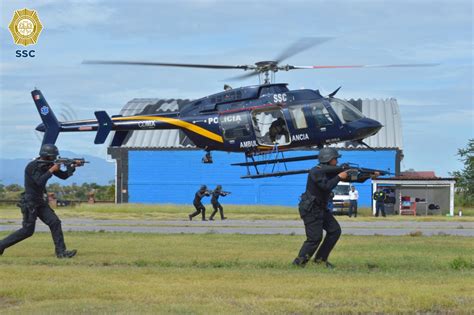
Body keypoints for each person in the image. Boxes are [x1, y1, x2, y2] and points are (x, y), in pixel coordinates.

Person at [292, 147, 378, 268]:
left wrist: (369, 175)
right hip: (311, 209)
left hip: (321, 208)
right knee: (314, 238)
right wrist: (339, 176)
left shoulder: (332, 171)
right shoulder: (316, 171)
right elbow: (326, 186)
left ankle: (320, 260)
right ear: (328, 159)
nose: (337, 161)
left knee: (334, 231)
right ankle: (298, 264)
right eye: (335, 159)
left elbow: (354, 178)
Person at [0, 144, 82, 258]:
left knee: (55, 222)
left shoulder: (48, 165)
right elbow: (39, 182)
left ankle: (61, 253)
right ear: (47, 156)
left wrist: (72, 166)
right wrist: (51, 170)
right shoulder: (32, 166)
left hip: (40, 202)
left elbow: (63, 176)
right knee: (27, 231)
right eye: (52, 157)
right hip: (30, 203)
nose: (54, 159)